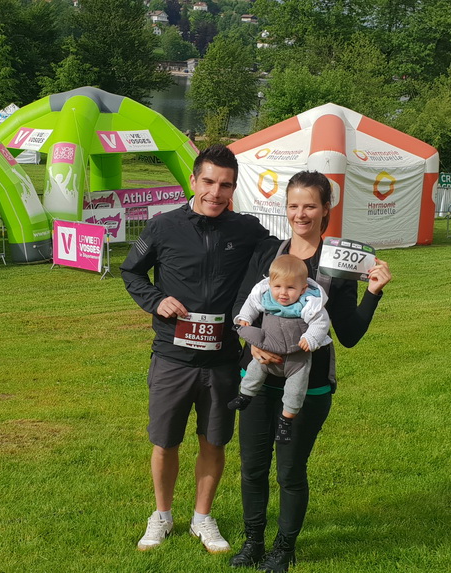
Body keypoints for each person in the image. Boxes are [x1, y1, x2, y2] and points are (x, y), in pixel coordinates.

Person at [229, 171, 392, 572]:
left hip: (308, 386)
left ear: (326, 211)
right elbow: (243, 306)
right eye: (294, 205)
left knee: (289, 472)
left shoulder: (337, 263)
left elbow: (349, 334)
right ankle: (253, 542)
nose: (301, 214)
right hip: (259, 379)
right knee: (251, 468)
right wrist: (251, 344)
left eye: (310, 206)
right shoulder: (268, 252)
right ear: (285, 209)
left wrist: (373, 292)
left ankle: (283, 549)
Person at [120, 144, 268, 554]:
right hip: (172, 356)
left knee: (214, 441)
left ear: (233, 188)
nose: (215, 193)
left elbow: (285, 255)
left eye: (225, 185)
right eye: (208, 182)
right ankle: (162, 515)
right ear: (193, 180)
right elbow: (131, 270)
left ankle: (203, 517)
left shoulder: (246, 230)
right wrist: (155, 299)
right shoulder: (164, 226)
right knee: (165, 441)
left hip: (222, 359)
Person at [227, 254, 332, 444]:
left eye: (291, 288)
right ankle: (245, 396)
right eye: (278, 287)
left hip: (296, 359)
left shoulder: (310, 303)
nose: (283, 293)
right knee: (254, 369)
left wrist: (310, 337)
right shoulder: (266, 296)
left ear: (303, 288)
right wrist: (245, 317)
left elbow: (321, 323)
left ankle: (286, 421)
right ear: (270, 285)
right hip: (269, 349)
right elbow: (250, 304)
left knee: (296, 389)